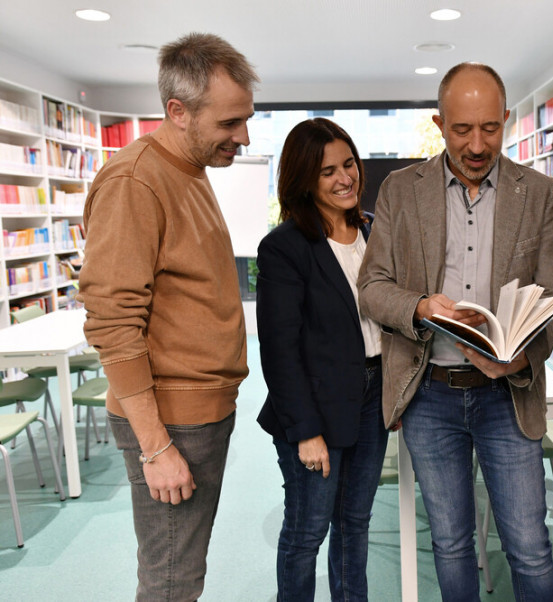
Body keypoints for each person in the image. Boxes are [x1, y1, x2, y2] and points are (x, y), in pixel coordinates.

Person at [358, 62, 553, 601]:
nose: (477, 145)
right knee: (450, 543)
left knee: (529, 545)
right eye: (461, 130)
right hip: (429, 394)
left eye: (490, 128)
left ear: (506, 118)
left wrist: (521, 358)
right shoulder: (400, 191)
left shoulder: (540, 193)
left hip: (508, 394)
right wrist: (421, 307)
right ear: (439, 123)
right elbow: (372, 287)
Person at [78, 33, 257, 601]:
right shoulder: (135, 181)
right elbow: (112, 321)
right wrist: (155, 447)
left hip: (198, 413)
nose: (243, 136)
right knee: (172, 582)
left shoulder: (190, 168)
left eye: (245, 119)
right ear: (178, 112)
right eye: (229, 123)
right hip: (171, 423)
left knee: (182, 573)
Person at [256, 118, 388, 601]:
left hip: (372, 397)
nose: (344, 178)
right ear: (304, 180)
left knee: (355, 523)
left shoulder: (374, 231)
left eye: (348, 164)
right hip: (314, 407)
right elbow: (279, 349)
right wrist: (306, 431)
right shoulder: (284, 247)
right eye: (327, 171)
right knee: (307, 531)